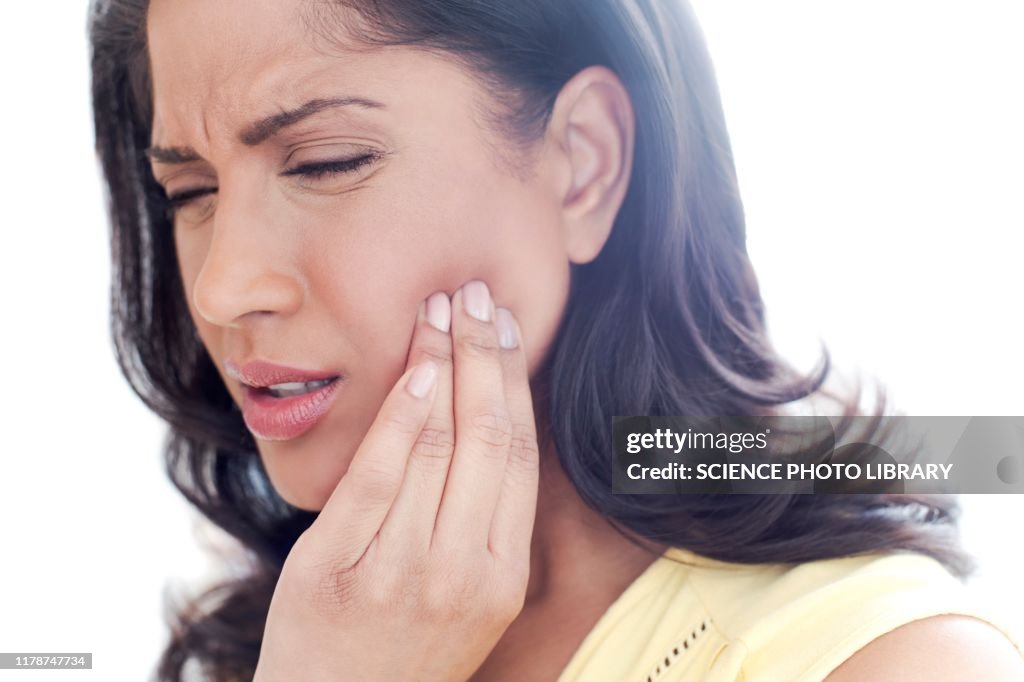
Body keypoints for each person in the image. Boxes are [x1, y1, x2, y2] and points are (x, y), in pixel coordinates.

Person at [87, 0, 1024, 679]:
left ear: (584, 162)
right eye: (192, 194)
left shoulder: (897, 661)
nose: (223, 287)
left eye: (328, 162)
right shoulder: (264, 644)